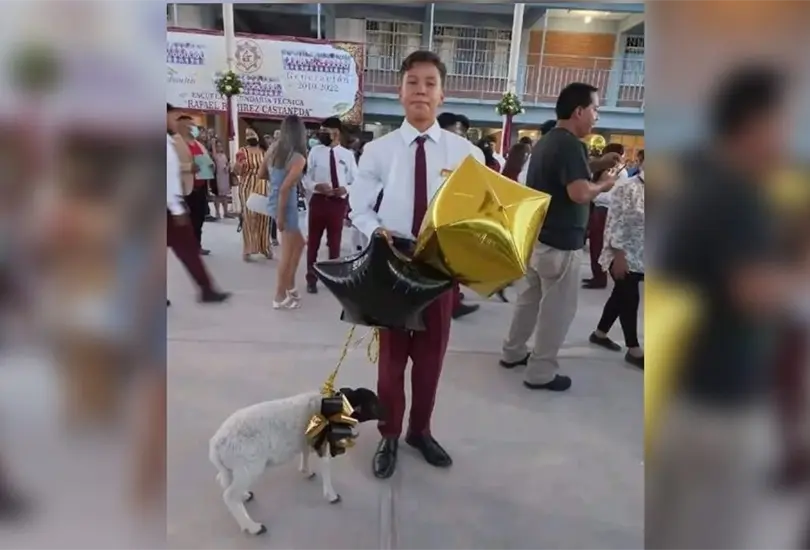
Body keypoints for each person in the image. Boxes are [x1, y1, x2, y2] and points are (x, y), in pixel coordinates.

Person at [349, 50, 485, 480]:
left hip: (440, 268)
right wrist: (375, 229)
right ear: (400, 91)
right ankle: (389, 433)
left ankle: (419, 431)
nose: (421, 90)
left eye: (430, 83)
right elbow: (358, 205)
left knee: (430, 361)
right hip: (393, 263)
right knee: (391, 362)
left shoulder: (466, 153)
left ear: (442, 94)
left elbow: (478, 211)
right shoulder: (378, 150)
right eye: (413, 82)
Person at [500, 82, 617, 391]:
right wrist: (603, 185)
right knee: (557, 311)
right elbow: (579, 192)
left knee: (528, 301)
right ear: (579, 111)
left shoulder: (548, 140)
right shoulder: (571, 145)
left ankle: (513, 351)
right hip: (561, 244)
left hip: (539, 237)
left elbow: (565, 171)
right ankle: (541, 372)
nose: (597, 116)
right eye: (595, 109)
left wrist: (597, 164)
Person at [166, 104, 230, 304]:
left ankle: (206, 289)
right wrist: (175, 207)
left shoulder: (170, 142)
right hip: (169, 206)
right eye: (173, 118)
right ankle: (206, 289)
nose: (175, 122)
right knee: (187, 248)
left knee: (188, 248)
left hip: (176, 202)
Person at [588, 153, 644, 367]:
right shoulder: (627, 187)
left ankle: (600, 333)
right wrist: (619, 256)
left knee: (620, 295)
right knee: (630, 297)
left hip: (643, 253)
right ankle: (633, 349)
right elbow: (614, 223)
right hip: (622, 254)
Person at [302, 117, 356, 294]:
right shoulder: (315, 152)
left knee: (334, 243)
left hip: (337, 203)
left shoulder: (347, 155)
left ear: (336, 132)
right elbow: (306, 177)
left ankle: (333, 278)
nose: (322, 134)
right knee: (313, 242)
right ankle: (311, 278)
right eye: (321, 131)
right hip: (318, 201)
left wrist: (345, 189)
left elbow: (356, 180)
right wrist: (316, 186)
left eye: (326, 131)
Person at [260, 116, 307, 309]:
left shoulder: (272, 150)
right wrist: (280, 217)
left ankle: (290, 285)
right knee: (287, 253)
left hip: (275, 202)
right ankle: (279, 296)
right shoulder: (298, 158)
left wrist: (276, 180)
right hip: (286, 206)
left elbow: (261, 174)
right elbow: (285, 189)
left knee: (299, 243)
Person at [436, 112, 481, 316]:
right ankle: (450, 303)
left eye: (461, 132)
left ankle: (452, 299)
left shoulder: (464, 152)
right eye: (455, 131)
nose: (459, 136)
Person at [584, 142, 627, 289]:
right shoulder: (611, 169)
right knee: (596, 244)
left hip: (605, 209)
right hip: (601, 208)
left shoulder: (617, 171)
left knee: (600, 245)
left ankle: (601, 276)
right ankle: (598, 275)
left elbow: (609, 192)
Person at [173, 115, 211, 255]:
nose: (192, 127)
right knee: (187, 220)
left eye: (193, 124)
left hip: (201, 185)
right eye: (189, 124)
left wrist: (210, 165)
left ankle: (197, 244)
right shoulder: (174, 142)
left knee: (199, 217)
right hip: (185, 187)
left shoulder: (198, 143)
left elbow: (206, 159)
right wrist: (189, 167)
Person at [234, 128, 273, 261]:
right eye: (248, 134)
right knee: (249, 216)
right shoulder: (242, 151)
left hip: (263, 186)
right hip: (247, 186)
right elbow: (237, 172)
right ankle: (248, 249)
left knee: (263, 217)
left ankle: (265, 247)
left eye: (252, 134)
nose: (250, 136)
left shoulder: (265, 151)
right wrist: (238, 164)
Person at [211, 139, 233, 220]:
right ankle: (217, 212)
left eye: (220, 146)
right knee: (217, 196)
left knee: (225, 195)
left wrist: (228, 166)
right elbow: (214, 156)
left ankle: (226, 212)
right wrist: (213, 144)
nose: (219, 147)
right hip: (218, 177)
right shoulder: (215, 155)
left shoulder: (224, 155)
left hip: (225, 176)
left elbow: (227, 164)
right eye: (218, 146)